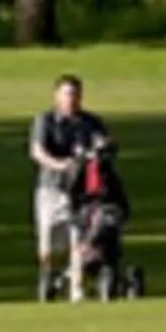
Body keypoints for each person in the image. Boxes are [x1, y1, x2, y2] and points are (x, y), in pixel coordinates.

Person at [28, 74, 113, 299]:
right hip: (51, 188)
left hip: (82, 191)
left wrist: (101, 148)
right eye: (67, 94)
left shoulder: (91, 122)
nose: (72, 99)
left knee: (79, 237)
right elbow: (37, 152)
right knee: (49, 245)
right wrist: (59, 165)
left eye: (76, 94)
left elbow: (103, 143)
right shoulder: (45, 121)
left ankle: (77, 288)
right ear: (56, 96)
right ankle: (49, 276)